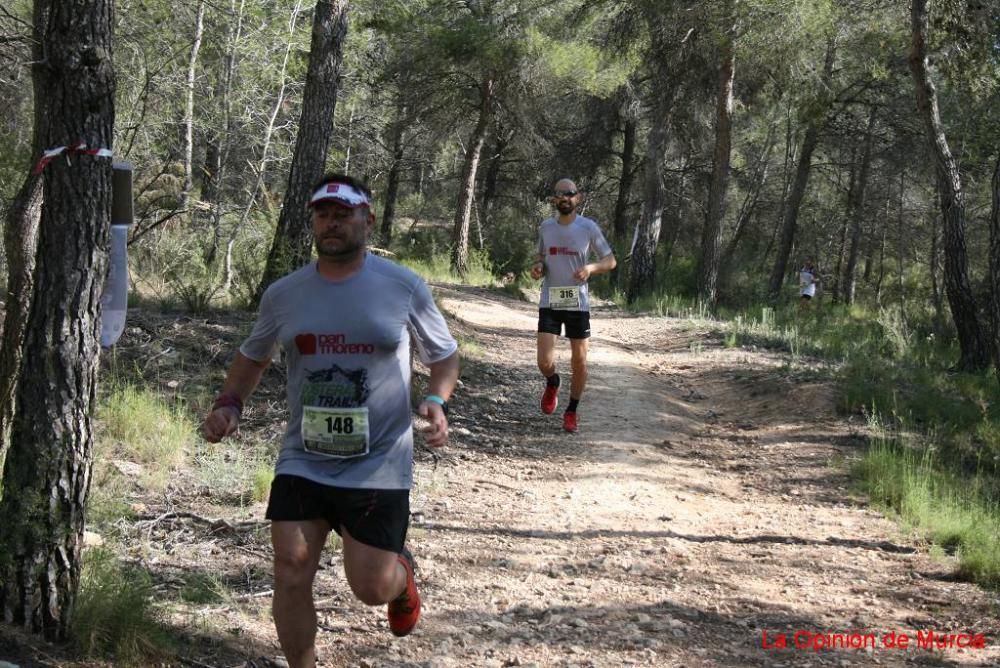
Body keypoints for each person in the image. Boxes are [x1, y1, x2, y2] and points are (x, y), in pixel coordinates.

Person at [202, 173, 459, 668]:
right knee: (290, 565)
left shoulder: (402, 287)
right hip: (305, 457)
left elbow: (444, 356)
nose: (333, 222)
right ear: (313, 222)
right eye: (323, 214)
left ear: (368, 218)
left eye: (344, 213)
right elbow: (253, 357)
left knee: (370, 587)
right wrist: (229, 404)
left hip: (379, 462)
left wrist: (436, 399)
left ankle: (401, 575)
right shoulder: (285, 294)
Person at [529, 178, 616, 433]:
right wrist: (538, 267)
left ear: (578, 198)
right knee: (544, 361)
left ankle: (571, 411)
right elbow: (541, 258)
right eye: (559, 194)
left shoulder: (588, 227)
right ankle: (552, 382)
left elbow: (610, 261)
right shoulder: (546, 227)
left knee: (579, 361)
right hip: (550, 300)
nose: (564, 198)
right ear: (554, 200)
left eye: (570, 194)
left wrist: (591, 267)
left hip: (578, 303)